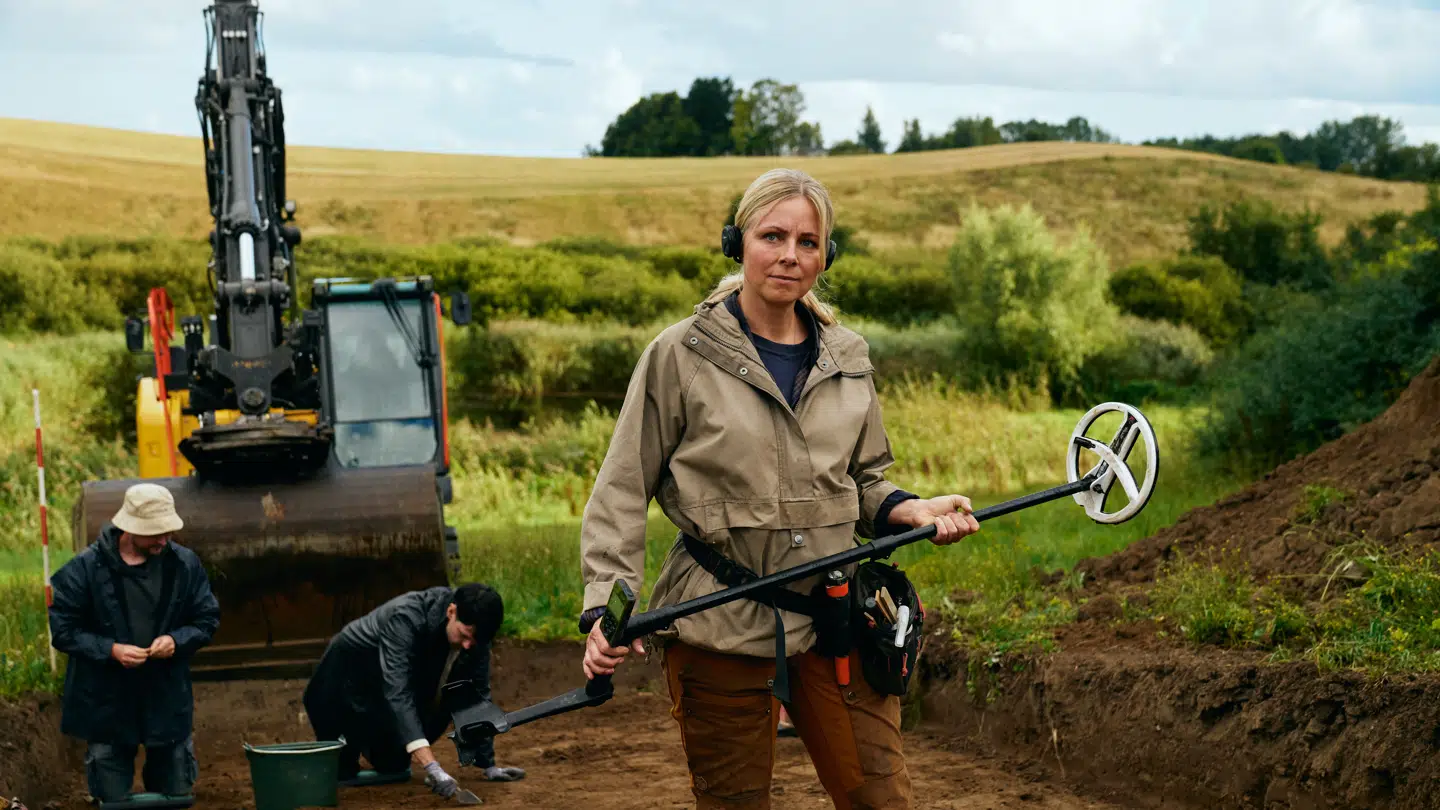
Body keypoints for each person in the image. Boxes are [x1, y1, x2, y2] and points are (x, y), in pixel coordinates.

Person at [577, 167, 981, 809]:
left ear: (827, 256)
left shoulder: (847, 358)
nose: (790, 255)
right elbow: (623, 487)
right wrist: (605, 606)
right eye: (772, 236)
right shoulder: (680, 355)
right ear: (737, 243)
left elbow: (861, 479)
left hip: (835, 615)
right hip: (717, 621)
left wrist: (909, 508)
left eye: (808, 242)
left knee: (881, 800)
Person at [48, 483, 221, 804]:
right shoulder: (83, 569)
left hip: (166, 695)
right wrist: (111, 650)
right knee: (112, 798)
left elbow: (206, 618)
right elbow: (63, 630)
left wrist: (175, 639)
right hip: (106, 700)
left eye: (167, 531)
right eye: (155, 533)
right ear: (128, 528)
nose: (163, 539)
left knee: (176, 794)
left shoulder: (184, 564)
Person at [301, 583, 527, 799]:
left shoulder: (476, 634)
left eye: (475, 641)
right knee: (341, 771)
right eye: (465, 635)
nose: (468, 646)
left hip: (378, 690)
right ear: (451, 611)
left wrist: (488, 765)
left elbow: (477, 696)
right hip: (340, 685)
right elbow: (398, 692)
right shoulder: (405, 617)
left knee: (393, 765)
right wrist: (432, 767)